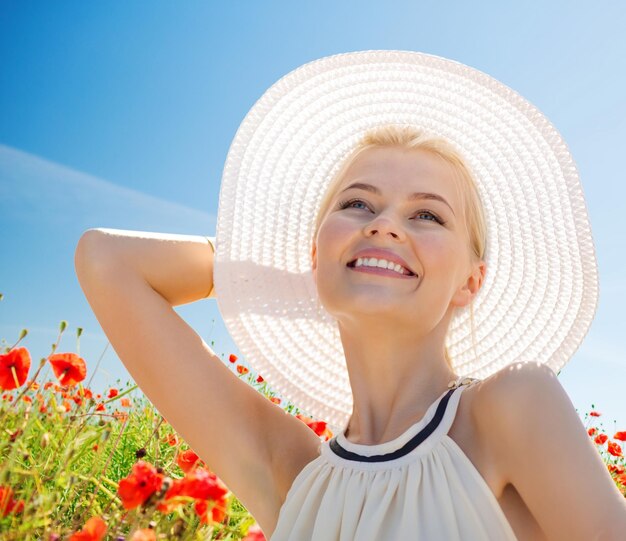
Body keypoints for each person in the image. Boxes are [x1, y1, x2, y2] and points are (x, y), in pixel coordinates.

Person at [74, 50, 626, 540]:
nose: (385, 225)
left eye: (427, 214)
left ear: (470, 281)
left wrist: (352, 258)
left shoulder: (511, 408)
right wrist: (292, 267)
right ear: (313, 252)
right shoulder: (292, 472)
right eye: (358, 205)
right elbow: (107, 259)